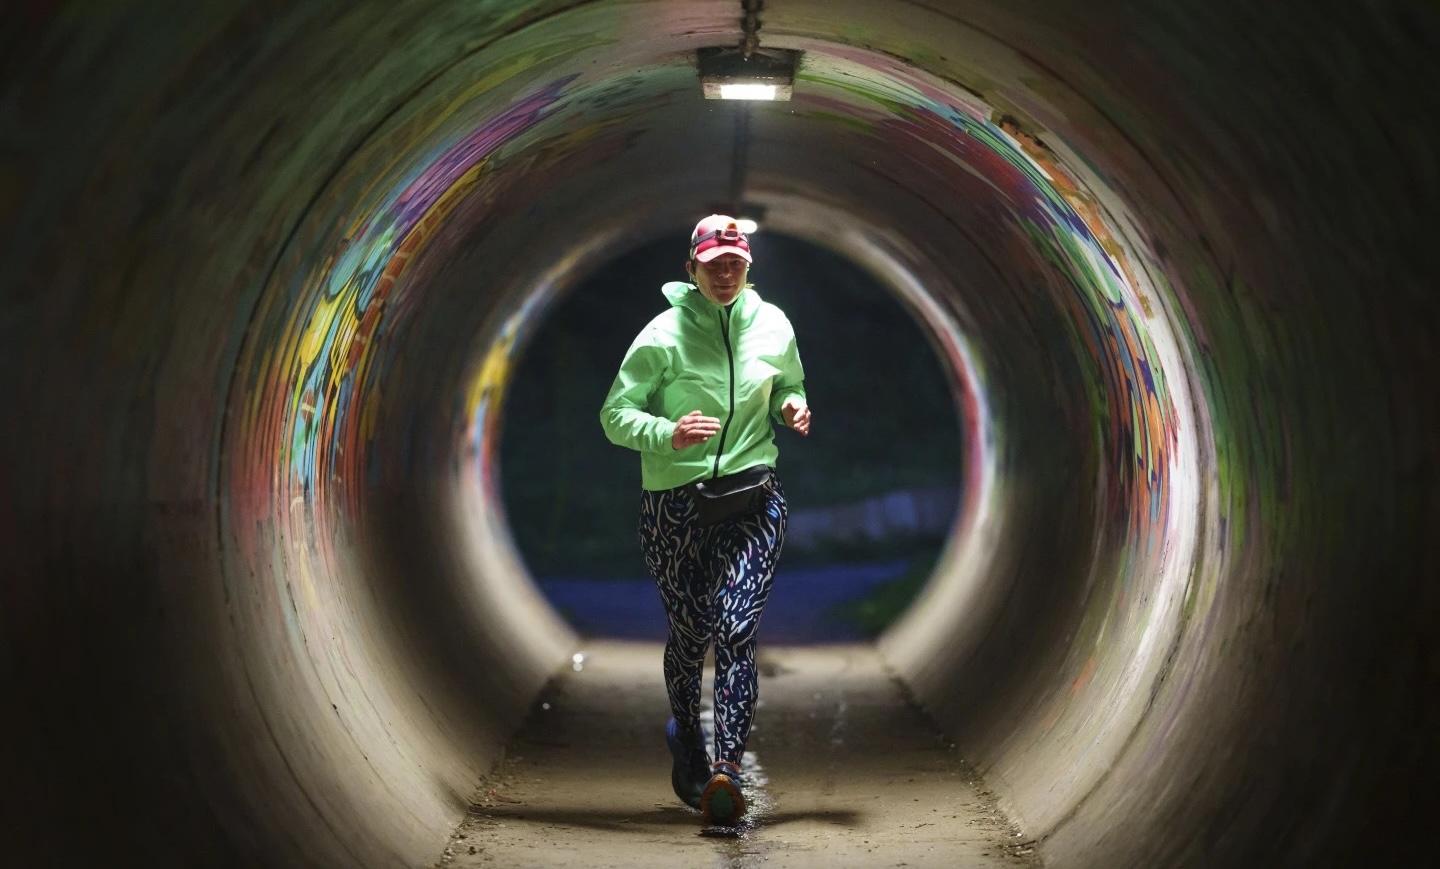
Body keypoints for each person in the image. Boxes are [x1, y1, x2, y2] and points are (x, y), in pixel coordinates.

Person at [599, 214, 811, 825]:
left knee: (736, 626)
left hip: (752, 497)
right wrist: (669, 432)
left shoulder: (773, 325)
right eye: (713, 264)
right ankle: (688, 743)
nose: (725, 274)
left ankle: (728, 771)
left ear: (748, 267)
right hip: (676, 505)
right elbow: (615, 415)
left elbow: (787, 384)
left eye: (735, 264)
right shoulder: (662, 335)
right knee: (691, 634)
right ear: (690, 268)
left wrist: (792, 404)